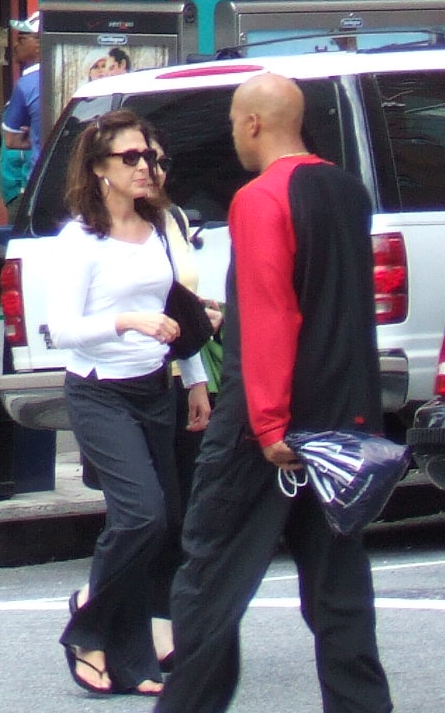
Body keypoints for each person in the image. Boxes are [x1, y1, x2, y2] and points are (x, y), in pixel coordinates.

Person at [162, 74, 391, 713]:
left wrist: (265, 425)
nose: (234, 134)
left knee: (208, 575)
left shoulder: (261, 198)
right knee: (337, 581)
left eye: (235, 122)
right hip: (344, 415)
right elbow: (333, 304)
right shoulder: (347, 192)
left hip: (272, 420)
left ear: (255, 124)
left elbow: (271, 313)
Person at [50, 109, 213, 696]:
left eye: (151, 157)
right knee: (141, 514)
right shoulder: (81, 240)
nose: (146, 167)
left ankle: (130, 652)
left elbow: (178, 312)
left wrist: (193, 379)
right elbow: (61, 329)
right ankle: (88, 633)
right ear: (99, 169)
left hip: (155, 389)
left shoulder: (159, 225)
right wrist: (127, 322)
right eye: (130, 158)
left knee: (162, 521)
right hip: (99, 390)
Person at [0, 14, 45, 210]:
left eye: (21, 39)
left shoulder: (27, 84)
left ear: (37, 43)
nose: (15, 46)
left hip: (27, 186)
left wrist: (34, 137)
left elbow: (11, 140)